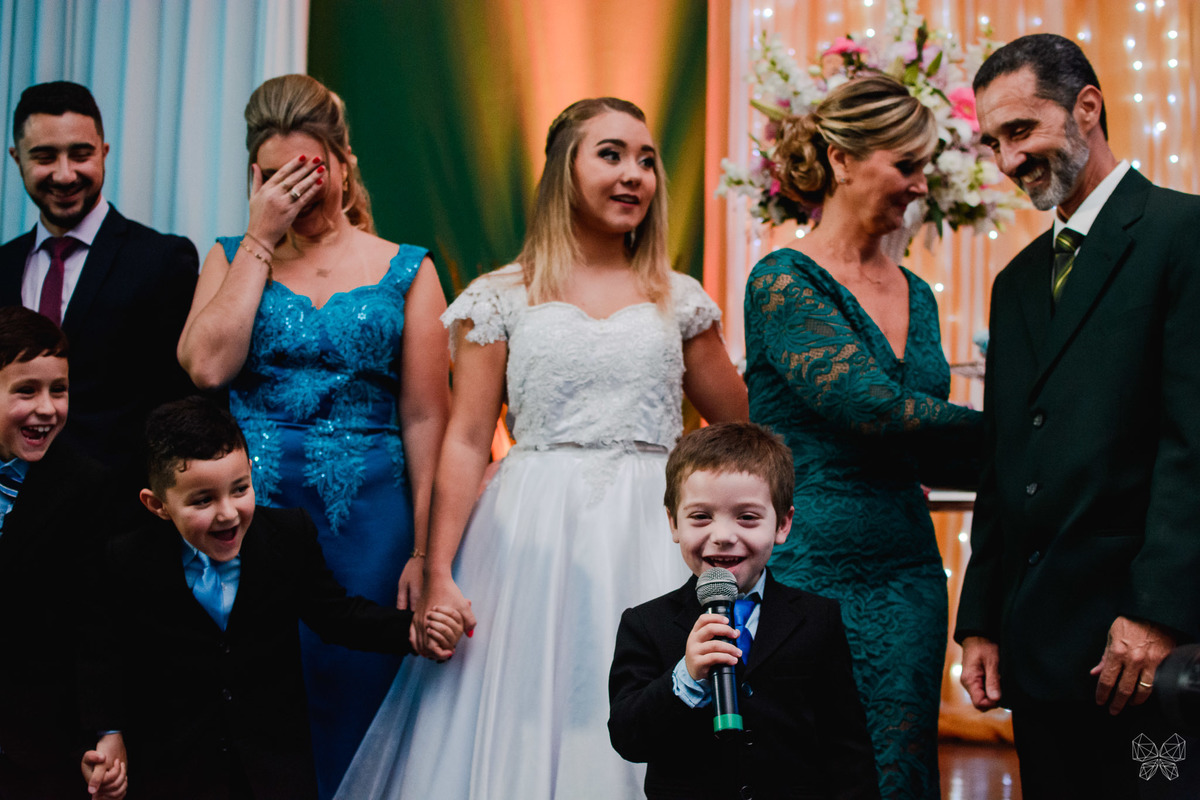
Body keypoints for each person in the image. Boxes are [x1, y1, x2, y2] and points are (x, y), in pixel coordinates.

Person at [336, 97, 748, 799]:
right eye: (611, 154)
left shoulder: (677, 299)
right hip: (528, 536)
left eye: (647, 160)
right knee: (528, 702)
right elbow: (467, 441)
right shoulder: (500, 296)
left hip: (651, 528)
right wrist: (436, 569)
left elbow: (741, 431)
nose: (635, 174)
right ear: (564, 170)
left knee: (654, 692)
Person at [175, 74, 450, 798]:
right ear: (253, 178)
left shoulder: (409, 268)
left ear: (344, 163)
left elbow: (427, 419)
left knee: (358, 683)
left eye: (310, 170)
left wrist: (426, 552)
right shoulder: (230, 256)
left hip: (372, 519)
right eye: (275, 176)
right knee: (261, 697)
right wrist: (260, 240)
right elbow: (207, 366)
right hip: (251, 515)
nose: (294, 189)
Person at [955, 33, 1200, 799]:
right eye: (993, 142)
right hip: (1038, 649)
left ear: (1086, 107)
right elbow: (1005, 458)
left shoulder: (1183, 234)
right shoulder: (1015, 282)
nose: (1006, 160)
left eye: (1020, 130)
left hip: (1148, 648)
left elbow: (1193, 443)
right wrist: (982, 619)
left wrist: (1156, 612)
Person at [742, 74, 983, 799]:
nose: (920, 185)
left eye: (925, 167)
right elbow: (871, 407)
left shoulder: (918, 293)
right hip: (807, 564)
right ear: (842, 159)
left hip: (907, 571)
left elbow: (927, 437)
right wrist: (1030, 433)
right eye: (905, 164)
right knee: (811, 772)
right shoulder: (781, 280)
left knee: (900, 773)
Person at [104, 397, 462, 799]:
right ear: (157, 505)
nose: (228, 513)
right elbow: (106, 655)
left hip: (273, 768)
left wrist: (412, 631)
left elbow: (336, 615)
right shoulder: (128, 560)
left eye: (240, 489)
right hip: (178, 770)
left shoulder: (287, 536)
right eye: (203, 500)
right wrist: (108, 733)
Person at [608, 422, 880, 800]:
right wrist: (686, 676)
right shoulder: (645, 624)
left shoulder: (818, 619)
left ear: (782, 524)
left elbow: (846, 746)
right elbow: (628, 738)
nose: (723, 536)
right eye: (701, 516)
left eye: (747, 517)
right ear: (673, 523)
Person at [0, 81, 199, 479]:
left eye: (80, 154)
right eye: (45, 156)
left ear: (104, 153)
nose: (64, 174)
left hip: (117, 503)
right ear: (17, 158)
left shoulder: (163, 260)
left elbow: (179, 406)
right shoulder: (3, 264)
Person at [0, 306, 126, 799]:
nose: (47, 408)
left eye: (59, 390)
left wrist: (106, 728)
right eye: (26, 390)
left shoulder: (85, 486)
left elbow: (96, 619)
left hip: (37, 739)